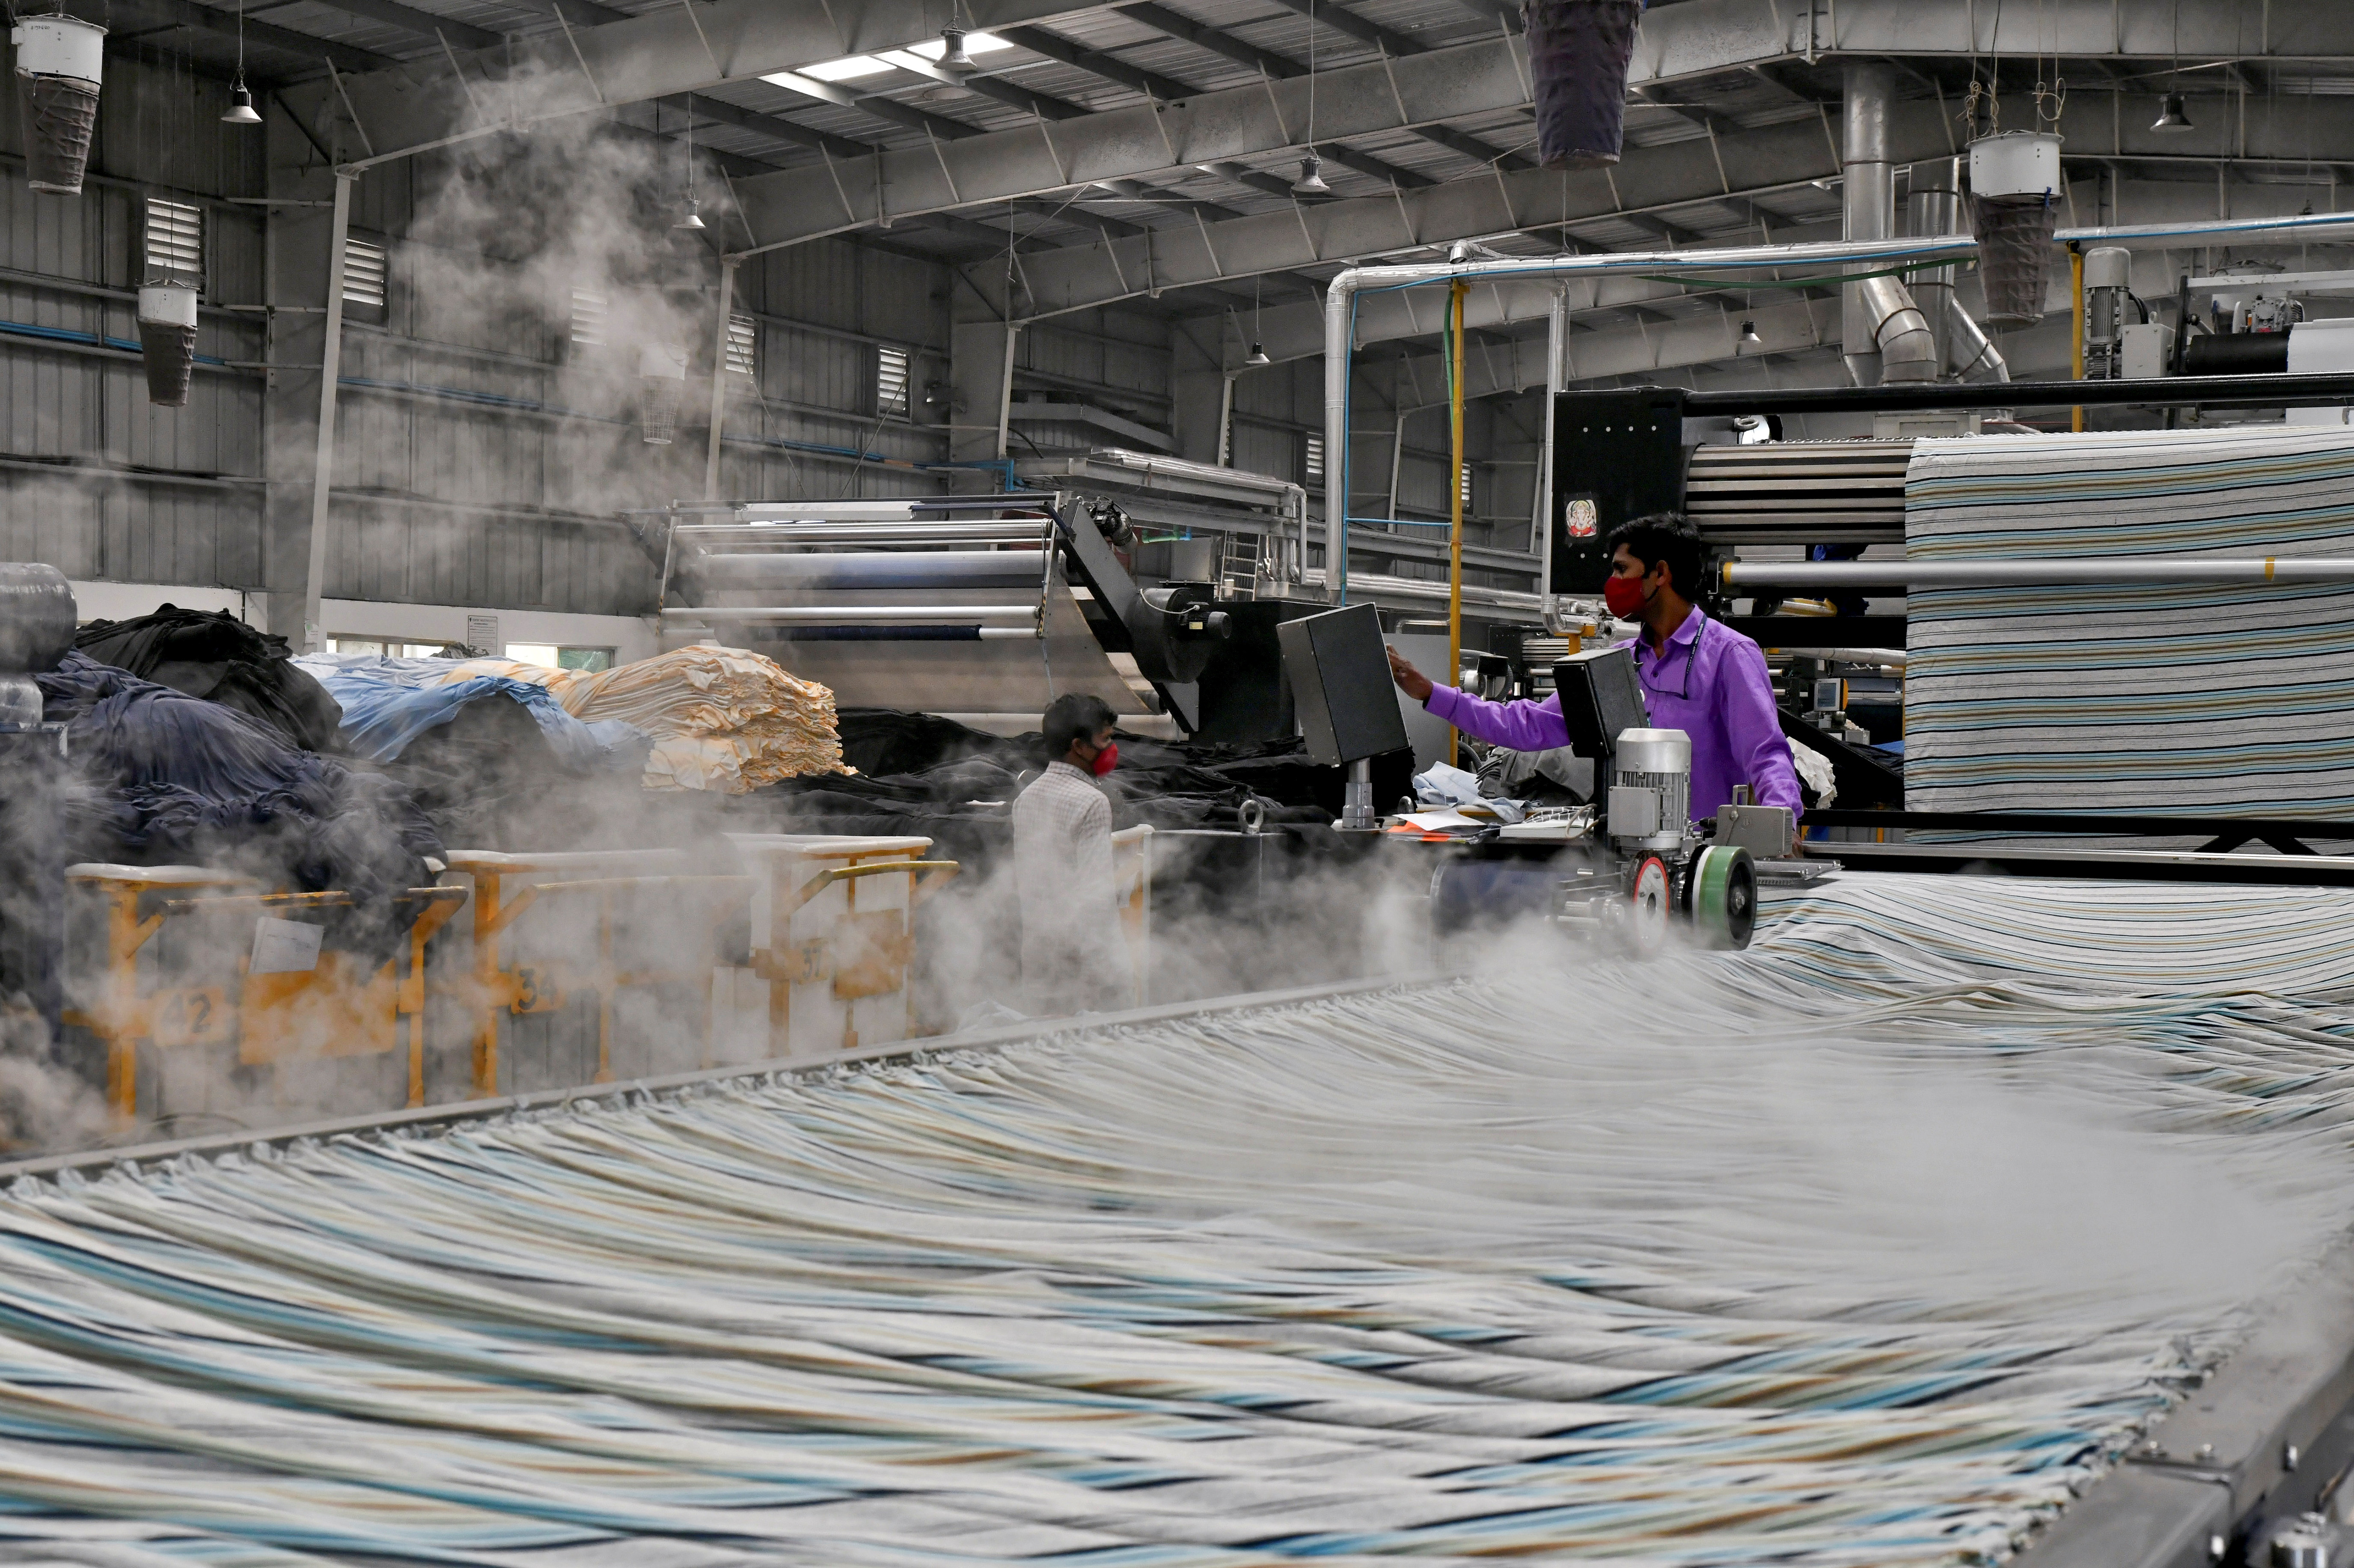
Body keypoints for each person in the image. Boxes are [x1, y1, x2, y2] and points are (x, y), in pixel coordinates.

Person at [1386, 511, 1802, 822]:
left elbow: (1765, 754)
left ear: (1660, 573)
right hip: (1627, 864)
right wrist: (1430, 693)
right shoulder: (1615, 665)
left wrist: (1781, 825)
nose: (1612, 584)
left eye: (1622, 570)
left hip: (1702, 865)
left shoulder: (1729, 656)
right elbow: (1526, 725)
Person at [1011, 693, 1135, 1015]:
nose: (1111, 750)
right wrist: (1110, 971)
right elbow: (1095, 897)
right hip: (1082, 967)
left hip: (1038, 952)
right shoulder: (1092, 802)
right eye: (1105, 739)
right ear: (1079, 746)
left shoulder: (1026, 798)